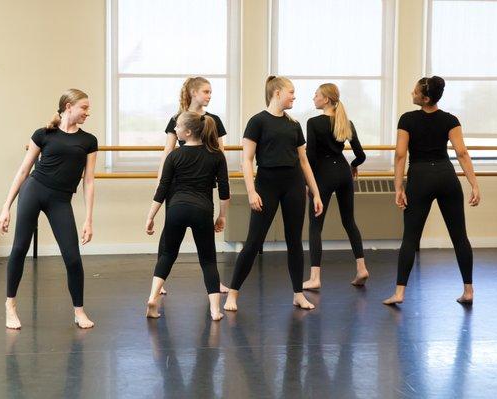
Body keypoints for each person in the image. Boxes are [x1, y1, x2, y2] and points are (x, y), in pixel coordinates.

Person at [0, 89, 98, 329]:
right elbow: (23, 171)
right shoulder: (43, 134)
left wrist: (89, 219)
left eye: (88, 108)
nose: (88, 112)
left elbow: (89, 181)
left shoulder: (88, 141)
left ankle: (79, 311)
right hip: (34, 190)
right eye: (83, 107)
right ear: (68, 107)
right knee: (20, 248)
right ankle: (10, 305)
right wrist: (6, 207)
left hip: (60, 201)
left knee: (72, 257)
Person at [223, 76, 324, 312]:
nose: (294, 96)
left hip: (293, 185)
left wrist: (316, 193)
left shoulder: (293, 125)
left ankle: (298, 294)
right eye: (291, 92)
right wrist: (251, 191)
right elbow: (246, 160)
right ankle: (233, 294)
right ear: (277, 93)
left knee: (294, 242)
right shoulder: (257, 121)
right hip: (266, 184)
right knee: (253, 241)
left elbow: (304, 162)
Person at [383, 76, 480, 306]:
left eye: (415, 92)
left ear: (425, 98)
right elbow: (462, 153)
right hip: (447, 176)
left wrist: (398, 186)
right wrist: (474, 183)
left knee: (410, 238)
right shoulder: (450, 119)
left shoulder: (407, 119)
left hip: (420, 177)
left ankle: (399, 293)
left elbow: (400, 154)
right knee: (459, 237)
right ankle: (468, 291)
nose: (412, 94)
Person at [145, 111, 230, 321]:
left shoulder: (174, 155)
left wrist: (151, 216)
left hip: (176, 209)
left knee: (167, 255)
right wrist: (222, 216)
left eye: (177, 127)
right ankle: (215, 309)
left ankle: (153, 296)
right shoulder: (216, 154)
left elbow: (162, 189)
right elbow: (224, 190)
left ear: (188, 131)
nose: (175, 130)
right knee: (208, 260)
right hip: (202, 211)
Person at [157, 77, 229, 295]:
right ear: (193, 93)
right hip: (178, 186)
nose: (209, 95)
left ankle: (214, 282)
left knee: (206, 239)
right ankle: (159, 281)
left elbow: (220, 152)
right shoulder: (177, 119)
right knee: (169, 234)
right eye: (206, 91)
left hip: (202, 184)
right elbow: (168, 151)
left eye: (210, 92)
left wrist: (219, 177)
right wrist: (161, 181)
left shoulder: (213, 120)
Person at [303, 83, 369, 290]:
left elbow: (311, 157)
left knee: (315, 227)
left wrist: (309, 183)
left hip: (323, 175)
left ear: (326, 100)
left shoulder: (313, 123)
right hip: (343, 173)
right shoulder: (346, 122)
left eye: (316, 95)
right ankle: (361, 268)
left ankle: (315, 278)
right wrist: (353, 166)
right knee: (349, 222)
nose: (313, 98)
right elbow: (361, 156)